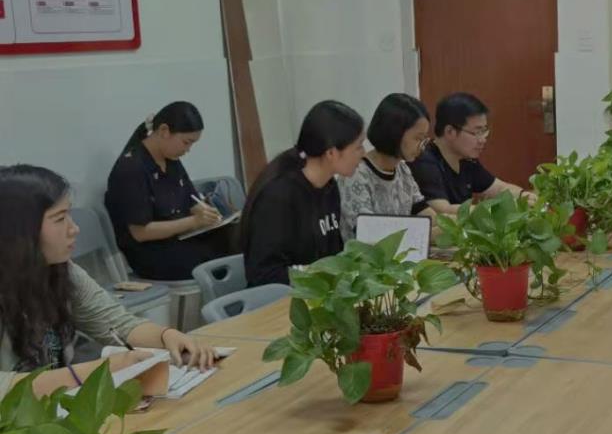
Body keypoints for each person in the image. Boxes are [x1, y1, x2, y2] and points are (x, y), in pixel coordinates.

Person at [0, 165, 218, 397]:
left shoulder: (60, 271)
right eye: (60, 218)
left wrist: (166, 337)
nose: (74, 229)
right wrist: (99, 371)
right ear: (19, 230)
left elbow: (116, 323)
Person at [241, 100, 365, 286]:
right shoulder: (278, 196)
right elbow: (263, 275)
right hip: (281, 298)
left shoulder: (329, 186)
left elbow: (333, 254)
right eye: (358, 146)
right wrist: (318, 273)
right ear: (331, 153)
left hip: (319, 292)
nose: (363, 153)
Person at [105, 101, 232, 280]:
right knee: (212, 263)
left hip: (178, 238)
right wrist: (195, 221)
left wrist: (207, 214)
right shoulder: (131, 168)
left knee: (233, 242)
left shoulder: (171, 160)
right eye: (186, 142)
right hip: (151, 251)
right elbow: (141, 233)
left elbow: (191, 201)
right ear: (164, 131)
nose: (188, 150)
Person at [410, 92, 532, 215]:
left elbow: (499, 188)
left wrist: (523, 196)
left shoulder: (466, 160)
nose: (482, 140)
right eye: (477, 132)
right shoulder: (424, 161)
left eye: (484, 131)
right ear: (450, 131)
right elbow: (442, 211)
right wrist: (498, 209)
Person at [338, 93, 436, 234]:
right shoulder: (355, 173)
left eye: (424, 139)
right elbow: (368, 233)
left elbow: (423, 211)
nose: (422, 147)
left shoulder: (402, 169)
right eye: (417, 138)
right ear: (395, 133)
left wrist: (450, 226)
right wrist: (429, 235)